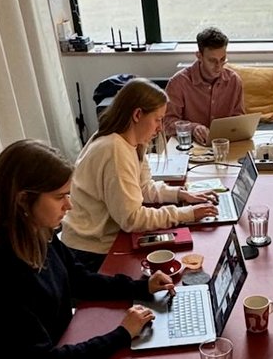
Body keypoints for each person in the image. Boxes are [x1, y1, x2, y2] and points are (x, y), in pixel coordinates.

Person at [0, 140, 175, 359]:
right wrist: (122, 334)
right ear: (22, 200)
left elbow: (78, 279)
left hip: (61, 351)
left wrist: (141, 286)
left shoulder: (36, 231)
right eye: (59, 197)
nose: (69, 206)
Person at [61, 79, 218, 267]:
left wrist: (180, 194)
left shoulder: (130, 141)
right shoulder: (114, 150)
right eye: (157, 120)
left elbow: (143, 187)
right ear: (137, 115)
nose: (160, 127)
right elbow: (132, 219)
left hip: (103, 240)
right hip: (91, 251)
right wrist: (186, 214)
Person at [163, 26, 245, 145]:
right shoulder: (178, 83)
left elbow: (239, 120)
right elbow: (166, 123)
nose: (218, 66)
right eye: (212, 61)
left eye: (222, 59)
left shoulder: (234, 81)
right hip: (188, 147)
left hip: (223, 146)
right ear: (199, 56)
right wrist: (193, 128)